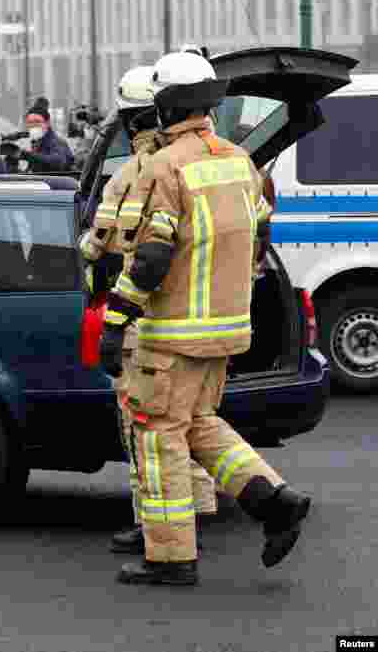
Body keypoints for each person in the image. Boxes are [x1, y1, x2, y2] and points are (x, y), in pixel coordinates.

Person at [100, 51, 310, 586]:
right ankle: (275, 502)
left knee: (156, 433)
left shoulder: (167, 166)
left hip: (172, 332)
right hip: (226, 329)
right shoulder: (239, 161)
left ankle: (170, 559)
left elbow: (150, 258)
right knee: (197, 425)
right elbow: (258, 226)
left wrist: (116, 321)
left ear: (166, 106)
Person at [78, 66, 219, 558]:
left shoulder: (138, 173)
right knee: (195, 422)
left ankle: (155, 527)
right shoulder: (210, 161)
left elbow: (106, 244)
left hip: (144, 319)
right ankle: (198, 512)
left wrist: (108, 307)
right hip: (205, 321)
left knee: (144, 430)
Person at [16, 97, 75, 173]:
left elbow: (57, 161)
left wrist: (29, 156)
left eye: (36, 122)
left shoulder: (55, 142)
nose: (32, 126)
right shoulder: (38, 141)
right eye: (30, 122)